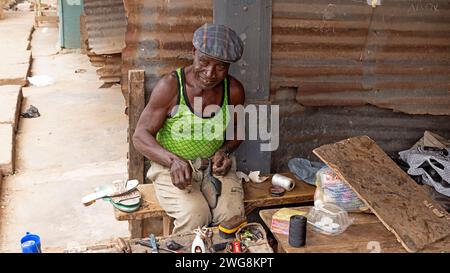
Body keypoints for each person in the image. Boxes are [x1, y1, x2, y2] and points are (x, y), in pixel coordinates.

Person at [133, 23, 246, 234]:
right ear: (193, 53)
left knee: (233, 217)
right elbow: (140, 136)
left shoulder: (233, 90)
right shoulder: (171, 86)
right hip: (170, 167)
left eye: (220, 66)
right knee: (196, 216)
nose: (210, 73)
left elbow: (238, 132)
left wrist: (225, 151)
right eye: (204, 62)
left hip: (213, 167)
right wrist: (173, 160)